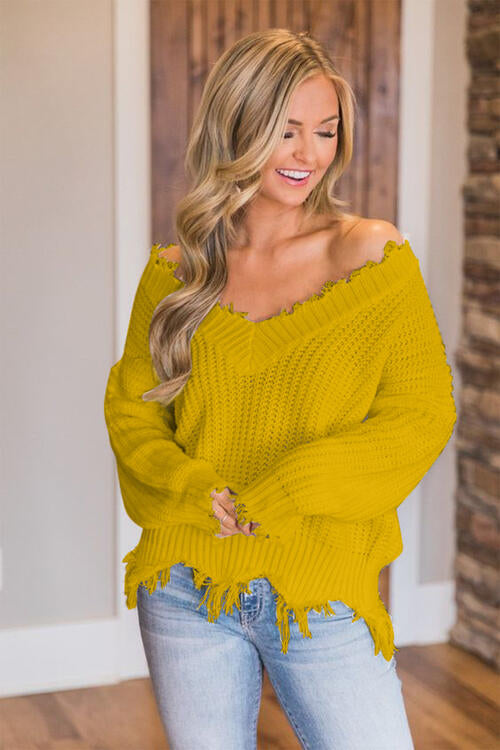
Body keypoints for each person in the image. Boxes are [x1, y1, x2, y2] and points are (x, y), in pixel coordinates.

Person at [104, 28, 456, 749]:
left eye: (325, 131)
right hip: (185, 580)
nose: (308, 154)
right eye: (285, 129)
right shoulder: (176, 273)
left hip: (318, 587)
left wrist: (294, 487)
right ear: (237, 124)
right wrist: (190, 487)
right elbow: (132, 412)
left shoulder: (369, 256)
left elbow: (421, 413)